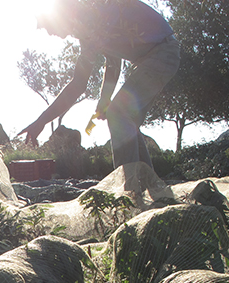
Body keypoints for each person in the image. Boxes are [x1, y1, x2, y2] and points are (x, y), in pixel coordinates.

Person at [20, 0, 180, 172]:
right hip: (156, 56)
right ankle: (148, 187)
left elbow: (78, 85)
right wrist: (104, 99)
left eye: (45, 25)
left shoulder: (93, 15)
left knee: (119, 114)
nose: (49, 32)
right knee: (127, 121)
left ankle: (130, 189)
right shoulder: (88, 29)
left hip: (162, 52)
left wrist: (43, 121)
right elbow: (110, 63)